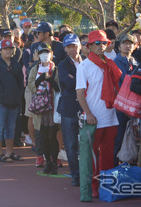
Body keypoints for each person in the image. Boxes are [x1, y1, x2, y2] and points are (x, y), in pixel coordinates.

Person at [76, 30, 121, 201]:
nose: (101, 46)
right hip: (93, 119)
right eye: (97, 43)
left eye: (104, 43)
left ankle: (106, 186)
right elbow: (80, 93)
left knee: (108, 155)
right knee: (92, 156)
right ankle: (93, 186)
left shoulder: (110, 63)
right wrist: (88, 114)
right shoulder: (84, 66)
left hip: (111, 116)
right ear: (89, 46)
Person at [0, 38, 24, 163]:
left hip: (14, 102)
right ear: (0, 50)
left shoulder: (16, 64)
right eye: (6, 49)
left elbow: (21, 82)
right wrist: (6, 97)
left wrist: (18, 96)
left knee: (11, 127)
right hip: (1, 102)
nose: (8, 51)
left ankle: (9, 152)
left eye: (10, 49)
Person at [28, 42, 60, 174]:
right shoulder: (34, 69)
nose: (44, 55)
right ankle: (47, 161)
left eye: (47, 52)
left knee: (53, 136)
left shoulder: (56, 69)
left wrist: (50, 80)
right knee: (43, 136)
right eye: (42, 53)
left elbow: (59, 87)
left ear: (52, 54)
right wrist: (40, 79)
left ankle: (54, 161)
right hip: (40, 108)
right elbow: (31, 86)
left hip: (52, 106)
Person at [58, 33, 83, 186]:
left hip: (87, 109)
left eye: (74, 45)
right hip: (69, 110)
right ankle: (75, 174)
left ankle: (87, 172)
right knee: (71, 144)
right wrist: (86, 83)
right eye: (69, 47)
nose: (72, 49)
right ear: (65, 49)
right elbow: (69, 83)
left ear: (79, 46)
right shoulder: (62, 65)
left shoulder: (87, 62)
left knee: (86, 143)